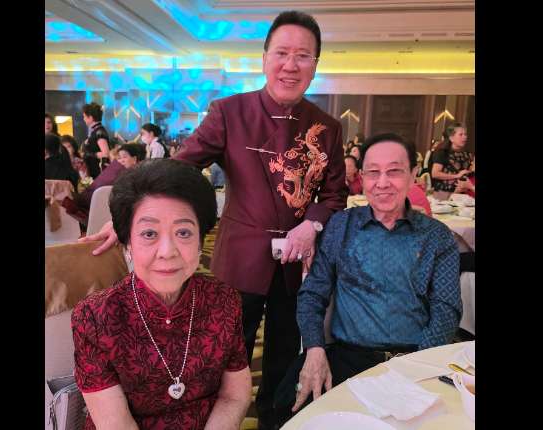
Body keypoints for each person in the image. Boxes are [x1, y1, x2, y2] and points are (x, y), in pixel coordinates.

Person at [80, 11, 348, 429]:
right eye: (282, 53)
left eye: (303, 56)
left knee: (282, 356)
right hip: (239, 260)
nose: (291, 65)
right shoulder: (230, 112)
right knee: (225, 357)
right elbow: (180, 167)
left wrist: (310, 225)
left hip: (297, 265)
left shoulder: (327, 128)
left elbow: (334, 195)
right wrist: (128, 215)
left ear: (315, 66)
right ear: (265, 58)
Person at [274, 133, 462, 424]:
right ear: (361, 177)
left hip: (414, 357)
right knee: (290, 407)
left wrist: (414, 367)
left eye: (394, 171)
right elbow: (313, 293)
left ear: (414, 174)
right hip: (348, 358)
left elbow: (446, 310)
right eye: (373, 172)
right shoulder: (341, 226)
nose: (382, 182)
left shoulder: (437, 237)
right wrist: (314, 348)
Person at [72, 159, 251, 429]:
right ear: (127, 244)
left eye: (183, 232)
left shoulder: (224, 301)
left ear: (201, 241)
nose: (167, 251)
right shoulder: (95, 318)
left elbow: (233, 396)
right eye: (149, 233)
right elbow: (116, 423)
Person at [431, 122, 473, 197]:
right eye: (461, 135)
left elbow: (467, 173)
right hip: (443, 192)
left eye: (465, 134)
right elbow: (435, 174)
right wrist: (456, 176)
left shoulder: (467, 154)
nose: (464, 137)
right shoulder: (442, 153)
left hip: (461, 194)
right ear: (451, 138)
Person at [81, 102, 112, 179]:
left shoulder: (99, 132)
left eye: (84, 116)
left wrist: (88, 154)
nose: (83, 119)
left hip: (97, 171)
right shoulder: (96, 131)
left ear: (91, 117)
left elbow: (105, 154)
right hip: (93, 169)